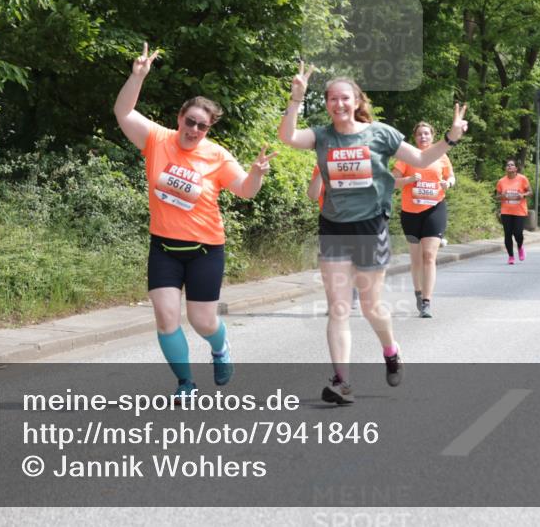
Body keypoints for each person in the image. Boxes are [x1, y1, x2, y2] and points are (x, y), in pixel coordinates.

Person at [279, 62, 467, 405]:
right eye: (332, 99)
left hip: (370, 229)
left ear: (356, 101)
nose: (339, 104)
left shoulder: (380, 133)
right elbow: (288, 137)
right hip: (333, 228)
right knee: (337, 308)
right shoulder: (321, 136)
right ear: (326, 104)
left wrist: (450, 137)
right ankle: (341, 380)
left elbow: (423, 159)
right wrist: (295, 100)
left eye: (345, 98)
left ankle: (391, 351)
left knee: (370, 307)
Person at [115, 43, 277, 399]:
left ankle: (220, 348)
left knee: (203, 321)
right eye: (190, 121)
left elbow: (246, 191)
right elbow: (124, 112)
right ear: (179, 118)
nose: (194, 129)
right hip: (164, 247)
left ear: (208, 129)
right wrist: (137, 76)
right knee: (166, 318)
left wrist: (257, 173)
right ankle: (185, 383)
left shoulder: (217, 155)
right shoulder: (157, 139)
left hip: (206, 249)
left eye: (202, 126)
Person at [392, 122, 455, 319]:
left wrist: (448, 184)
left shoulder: (441, 155)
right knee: (416, 257)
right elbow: (392, 182)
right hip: (410, 212)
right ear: (415, 137)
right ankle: (418, 292)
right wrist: (410, 180)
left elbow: (451, 177)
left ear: (432, 135)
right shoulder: (407, 155)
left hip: (435, 208)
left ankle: (427, 301)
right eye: (419, 134)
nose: (423, 137)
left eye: (426, 134)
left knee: (429, 255)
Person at [308, 167, 359, 312]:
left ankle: (352, 291)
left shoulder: (353, 163)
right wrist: (320, 173)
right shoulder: (320, 167)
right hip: (328, 221)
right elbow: (312, 195)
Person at [495, 160, 531, 264]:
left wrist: (523, 195)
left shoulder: (522, 179)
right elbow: (497, 196)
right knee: (508, 234)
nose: (509, 166)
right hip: (506, 211)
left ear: (516, 168)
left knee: (518, 233)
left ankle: (520, 247)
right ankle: (511, 256)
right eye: (507, 165)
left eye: (512, 165)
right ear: (506, 168)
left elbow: (530, 192)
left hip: (520, 211)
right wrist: (502, 196)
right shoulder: (501, 181)